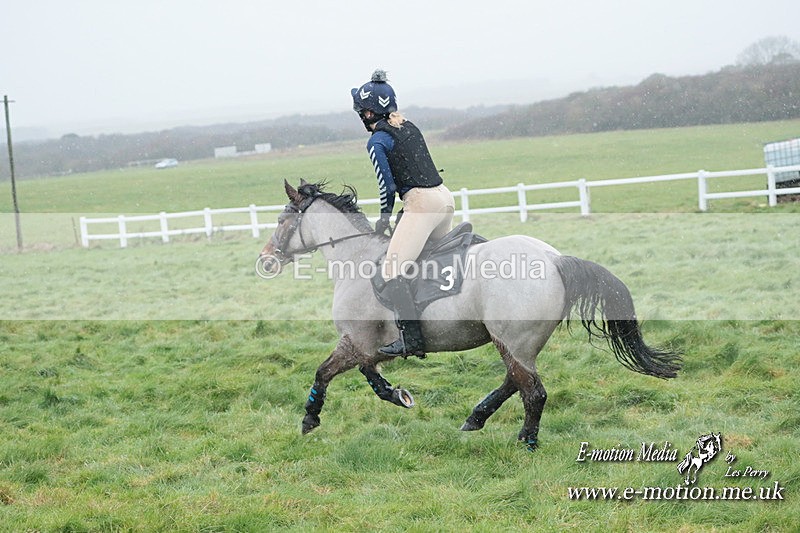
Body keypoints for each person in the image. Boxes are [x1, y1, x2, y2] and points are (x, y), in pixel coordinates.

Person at [351, 69, 455, 357]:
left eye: (361, 111)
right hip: (445, 198)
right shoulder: (409, 126)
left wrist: (384, 218)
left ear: (369, 114)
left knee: (392, 270)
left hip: (422, 206)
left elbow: (387, 186)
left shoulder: (377, 142)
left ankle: (413, 340)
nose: (360, 115)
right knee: (426, 262)